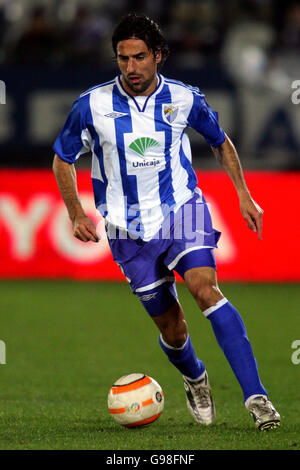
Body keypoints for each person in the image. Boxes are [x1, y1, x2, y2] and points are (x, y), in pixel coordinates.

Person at [52, 13, 280, 431]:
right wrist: (76, 211)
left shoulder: (184, 98)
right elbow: (63, 159)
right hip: (126, 229)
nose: (131, 68)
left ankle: (257, 399)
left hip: (180, 210)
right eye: (123, 59)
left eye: (140, 57)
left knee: (205, 289)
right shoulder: (92, 105)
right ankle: (195, 376)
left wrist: (244, 193)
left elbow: (219, 141)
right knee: (173, 329)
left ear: (158, 55)